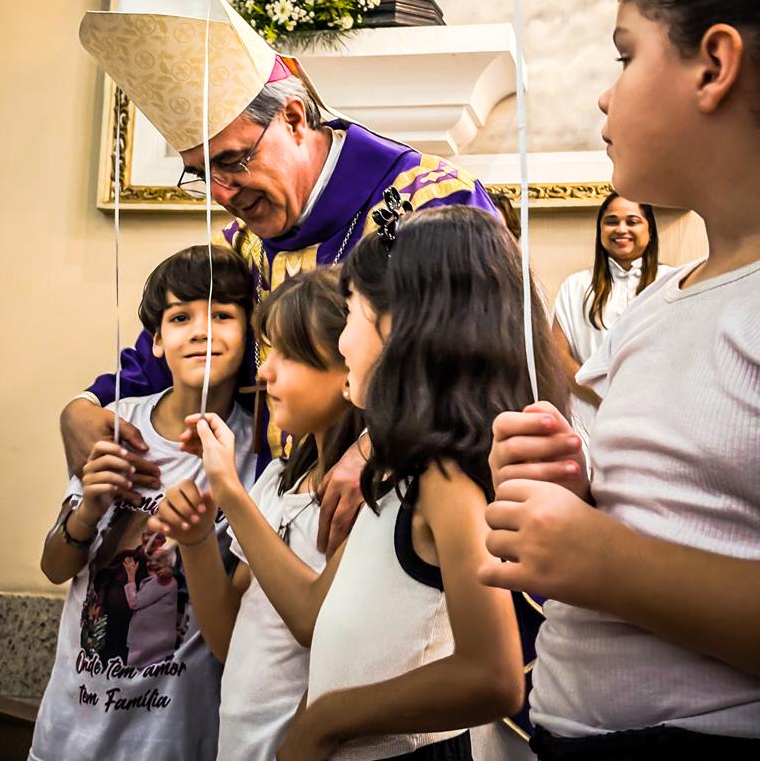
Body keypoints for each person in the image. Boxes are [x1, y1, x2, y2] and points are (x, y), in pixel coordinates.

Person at [69, 0, 497, 552]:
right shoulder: (246, 243)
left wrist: (372, 447)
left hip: (419, 521)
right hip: (282, 513)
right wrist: (88, 403)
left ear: (294, 118)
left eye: (232, 160)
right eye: (202, 174)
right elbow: (183, 345)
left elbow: (482, 358)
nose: (223, 193)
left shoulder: (430, 201)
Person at [482, 0, 760, 760]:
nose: (606, 94)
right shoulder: (656, 304)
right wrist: (574, 483)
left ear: (713, 65)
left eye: (625, 55)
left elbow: (620, 557)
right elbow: (671, 503)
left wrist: (603, 563)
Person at [181, 205, 566, 761]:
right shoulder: (390, 472)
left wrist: (326, 721)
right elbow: (317, 618)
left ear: (403, 326)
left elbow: (493, 675)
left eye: (353, 313)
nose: (342, 342)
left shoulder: (444, 479)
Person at [29, 245, 257, 761]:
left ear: (249, 334)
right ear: (155, 341)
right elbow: (54, 566)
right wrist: (89, 509)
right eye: (180, 318)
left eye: (222, 315)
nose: (201, 332)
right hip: (70, 734)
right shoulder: (118, 424)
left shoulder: (257, 451)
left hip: (177, 738)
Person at [148, 269, 363, 761]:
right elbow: (229, 638)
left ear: (351, 367)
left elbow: (311, 622)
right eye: (268, 353)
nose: (265, 374)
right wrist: (197, 541)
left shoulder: (365, 496)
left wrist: (229, 491)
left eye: (289, 355)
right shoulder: (279, 480)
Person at [551, 192, 669, 442]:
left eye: (632, 221)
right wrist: (598, 395)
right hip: (589, 416)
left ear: (650, 230)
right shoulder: (575, 286)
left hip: (659, 416)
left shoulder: (672, 282)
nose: (621, 229)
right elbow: (558, 354)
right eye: (612, 221)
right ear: (600, 230)